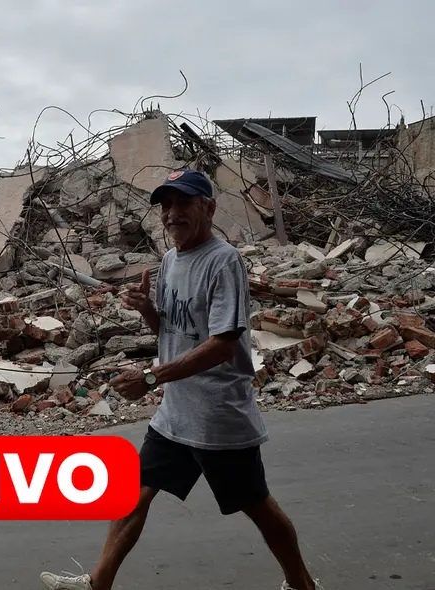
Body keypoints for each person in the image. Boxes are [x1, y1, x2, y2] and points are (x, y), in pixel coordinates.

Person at [39, 169, 322, 590]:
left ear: (207, 207)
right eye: (166, 206)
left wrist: (152, 379)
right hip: (176, 410)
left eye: (183, 203)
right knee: (133, 494)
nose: (172, 215)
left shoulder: (223, 261)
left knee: (258, 506)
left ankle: (302, 585)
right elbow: (173, 332)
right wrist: (147, 311)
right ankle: (97, 584)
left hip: (217, 415)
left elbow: (223, 344)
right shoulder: (171, 260)